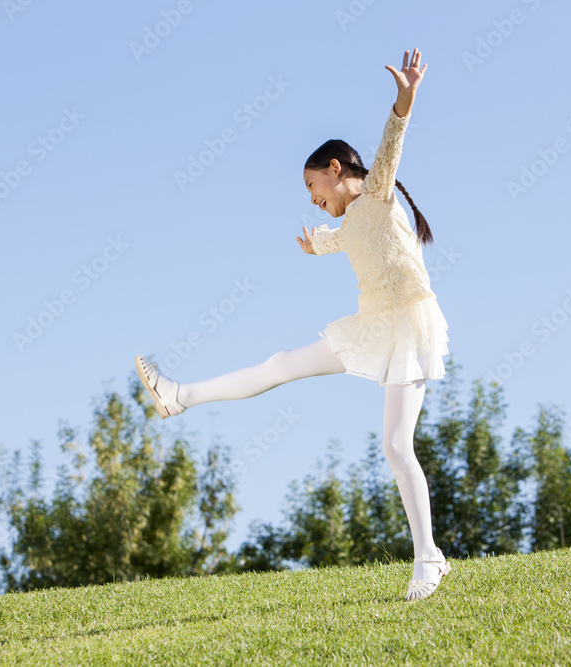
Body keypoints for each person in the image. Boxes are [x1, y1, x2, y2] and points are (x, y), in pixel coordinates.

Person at [136, 48, 451, 602]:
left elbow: (393, 137)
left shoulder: (376, 189)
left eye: (314, 189)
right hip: (372, 327)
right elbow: (335, 241)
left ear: (336, 171)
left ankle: (428, 559)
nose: (314, 200)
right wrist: (314, 247)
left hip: (409, 327)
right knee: (281, 365)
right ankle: (178, 395)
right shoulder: (349, 223)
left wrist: (407, 96)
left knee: (398, 447)